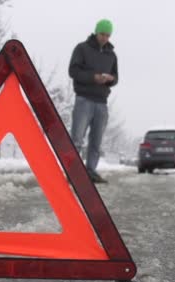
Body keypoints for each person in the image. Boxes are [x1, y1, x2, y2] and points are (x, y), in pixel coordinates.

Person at [68, 19, 118, 184]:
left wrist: (110, 79)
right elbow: (73, 70)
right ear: (96, 32)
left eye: (108, 35)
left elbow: (116, 77)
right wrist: (93, 77)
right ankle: (73, 172)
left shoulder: (112, 55)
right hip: (84, 100)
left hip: (102, 103)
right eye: (102, 34)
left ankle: (91, 171)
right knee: (77, 138)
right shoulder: (82, 48)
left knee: (96, 141)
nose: (105, 38)